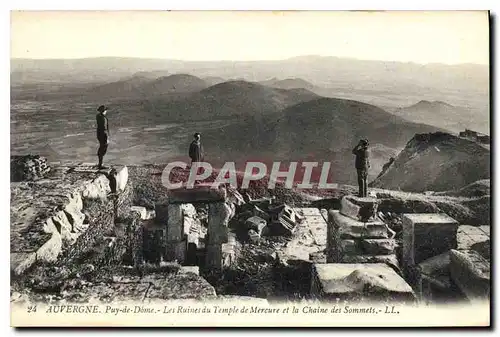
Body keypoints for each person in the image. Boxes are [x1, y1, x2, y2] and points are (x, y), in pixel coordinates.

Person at [96, 105, 110, 169]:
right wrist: (107, 137)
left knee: (102, 147)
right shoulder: (103, 118)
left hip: (99, 134)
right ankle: (100, 164)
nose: (106, 111)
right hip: (103, 135)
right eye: (105, 110)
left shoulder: (98, 116)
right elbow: (104, 128)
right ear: (104, 111)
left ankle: (100, 163)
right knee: (103, 148)